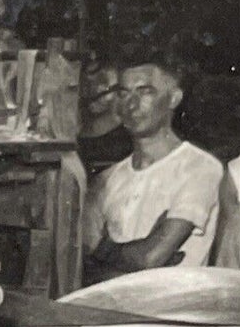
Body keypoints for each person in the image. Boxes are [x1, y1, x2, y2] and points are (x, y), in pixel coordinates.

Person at [83, 55, 223, 284]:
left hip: (171, 313)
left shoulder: (199, 167)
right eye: (123, 93)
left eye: (145, 92)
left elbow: (150, 257)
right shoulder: (105, 180)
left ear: (174, 98)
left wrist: (106, 252)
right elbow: (81, 267)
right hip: (107, 309)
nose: (131, 104)